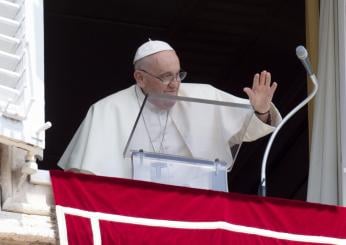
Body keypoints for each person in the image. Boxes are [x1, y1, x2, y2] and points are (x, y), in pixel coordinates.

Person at [58, 39, 282, 178]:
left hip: (194, 206)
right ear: (140, 78)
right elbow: (83, 174)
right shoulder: (108, 110)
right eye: (166, 77)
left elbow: (247, 128)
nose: (175, 84)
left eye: (178, 74)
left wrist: (261, 110)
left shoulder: (204, 95)